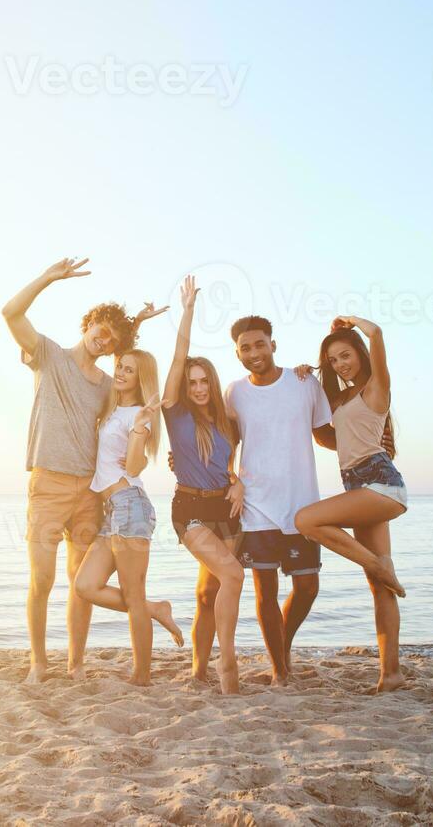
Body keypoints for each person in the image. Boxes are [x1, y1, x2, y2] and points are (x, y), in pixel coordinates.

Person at [2, 258, 165, 684]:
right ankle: (39, 662)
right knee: (42, 578)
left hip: (91, 493)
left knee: (80, 581)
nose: (104, 339)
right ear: (88, 323)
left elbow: (133, 374)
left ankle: (75, 663)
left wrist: (136, 326)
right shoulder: (48, 356)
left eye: (112, 339)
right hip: (49, 483)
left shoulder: (109, 385)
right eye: (101, 329)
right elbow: (11, 313)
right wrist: (47, 278)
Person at [295, 315, 408, 693]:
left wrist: (351, 322)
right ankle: (390, 674)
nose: (341, 363)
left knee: (306, 521)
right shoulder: (340, 399)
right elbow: (330, 440)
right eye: (333, 360)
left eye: (346, 355)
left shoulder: (378, 386)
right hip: (357, 486)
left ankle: (378, 564)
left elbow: (377, 333)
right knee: (380, 588)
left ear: (359, 353)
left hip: (381, 485)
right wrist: (306, 384)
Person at [224, 314, 332, 687]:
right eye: (245, 348)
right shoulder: (234, 392)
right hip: (255, 506)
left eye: (259, 344)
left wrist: (368, 440)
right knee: (265, 590)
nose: (254, 353)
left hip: (303, 505)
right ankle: (279, 671)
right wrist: (231, 478)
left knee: (307, 588)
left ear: (273, 344)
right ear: (237, 353)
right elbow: (226, 445)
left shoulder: (304, 383)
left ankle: (281, 649)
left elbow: (324, 436)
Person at [73, 349, 184, 685]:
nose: (120, 373)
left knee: (132, 595)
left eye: (129, 370)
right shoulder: (113, 406)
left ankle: (142, 675)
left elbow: (135, 466)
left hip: (130, 506)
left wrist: (138, 431)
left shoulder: (140, 414)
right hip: (112, 511)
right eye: (119, 367)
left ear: (141, 378)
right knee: (85, 585)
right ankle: (156, 609)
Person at [160, 276, 246, 694]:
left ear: (211, 382)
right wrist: (189, 311)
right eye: (190, 381)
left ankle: (198, 670)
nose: (196, 387)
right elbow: (177, 357)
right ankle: (227, 665)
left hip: (225, 511)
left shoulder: (227, 420)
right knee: (234, 575)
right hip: (190, 509)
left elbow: (239, 461)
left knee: (209, 593)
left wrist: (239, 481)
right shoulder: (175, 414)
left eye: (202, 381)